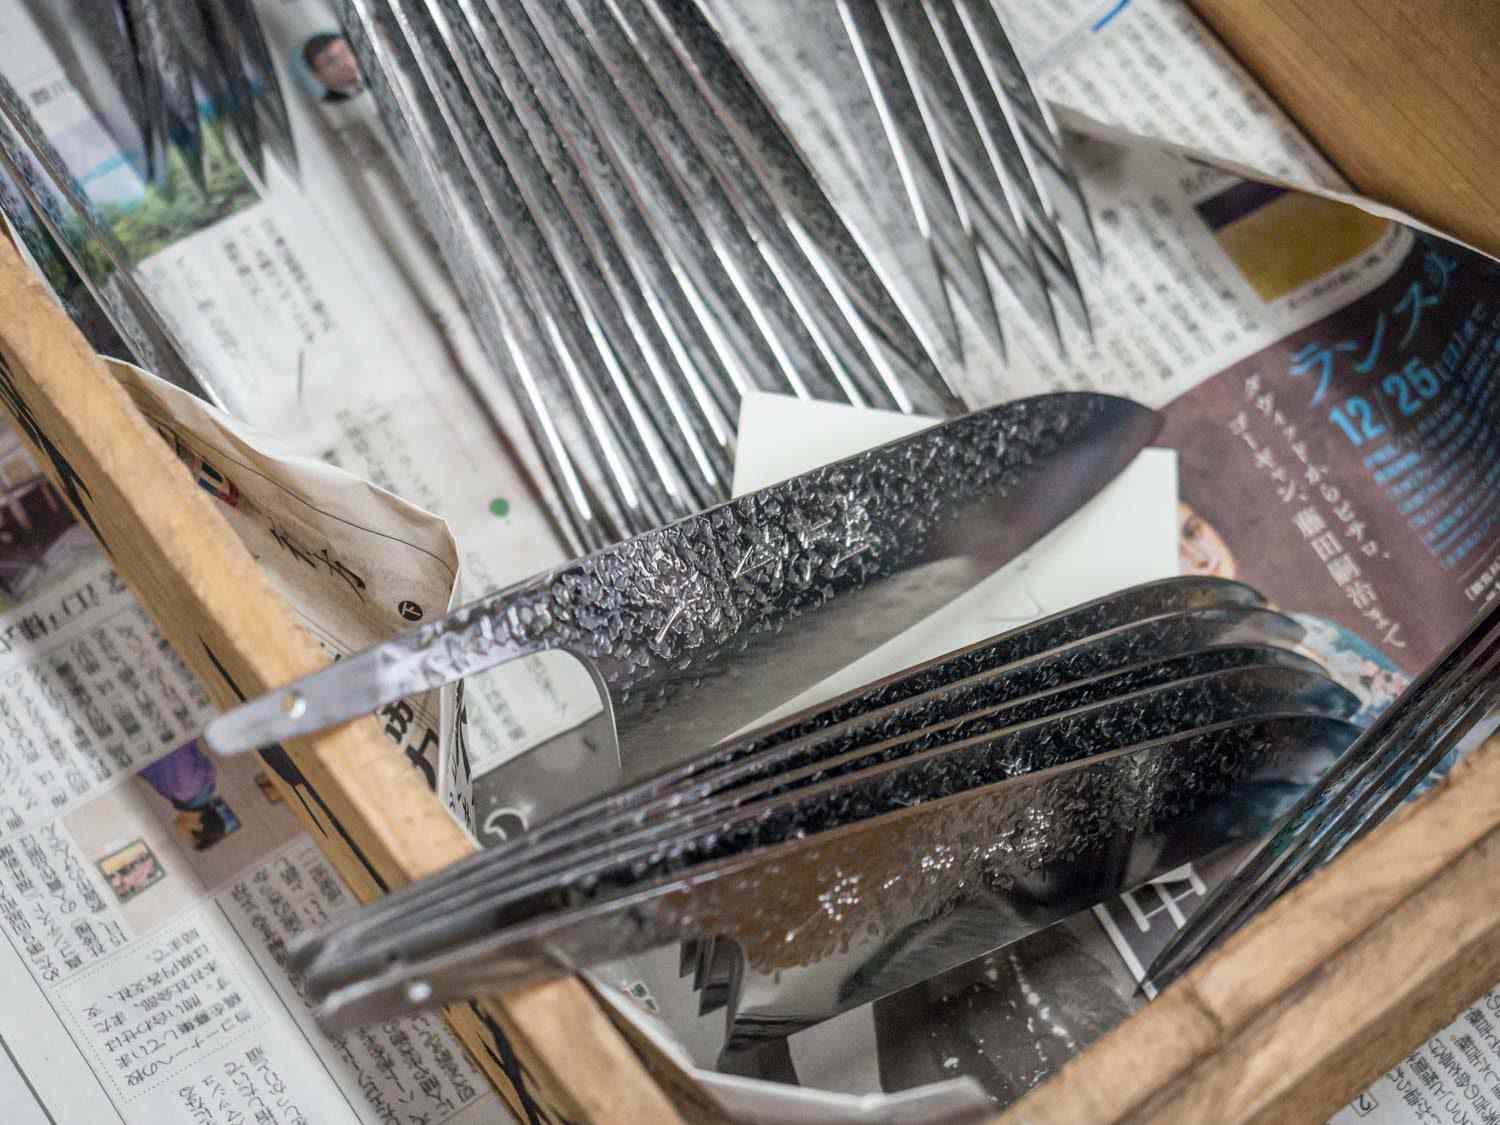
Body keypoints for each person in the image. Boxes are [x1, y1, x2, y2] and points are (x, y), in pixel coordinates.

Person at [303, 32, 363, 103]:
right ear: (318, 76)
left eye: (346, 51)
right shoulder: (330, 106)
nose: (347, 62)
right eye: (332, 61)